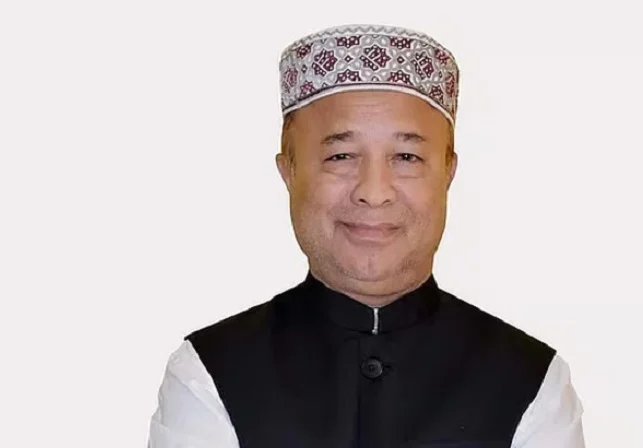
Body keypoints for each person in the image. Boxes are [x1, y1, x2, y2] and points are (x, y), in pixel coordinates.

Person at [148, 24, 585, 448]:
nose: (374, 192)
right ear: (289, 170)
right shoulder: (209, 376)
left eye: (407, 157)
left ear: (447, 172)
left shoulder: (531, 384)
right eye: (341, 156)